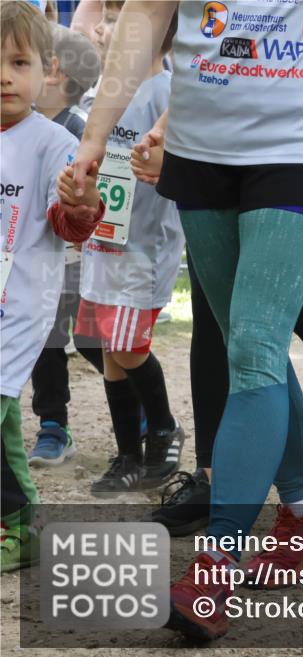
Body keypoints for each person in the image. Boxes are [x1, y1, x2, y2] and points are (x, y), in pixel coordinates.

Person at [71, 0, 303, 641]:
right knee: (245, 340)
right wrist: (96, 136)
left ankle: (216, 569)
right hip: (200, 152)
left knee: (257, 342)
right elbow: (148, 14)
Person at [135, 2, 303, 538]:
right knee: (221, 318)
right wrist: (174, 122)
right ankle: (219, 472)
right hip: (217, 143)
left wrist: (273, 85)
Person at [1, 0, 104, 572]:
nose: (4, 76)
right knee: (5, 422)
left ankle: (21, 523)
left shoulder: (51, 143)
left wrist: (82, 200)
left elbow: (71, 225)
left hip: (18, 309)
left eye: (18, 63)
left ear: (47, 71)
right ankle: (20, 526)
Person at [73, 5, 184, 497]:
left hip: (145, 247)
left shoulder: (166, 95)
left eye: (116, 17)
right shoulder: (104, 96)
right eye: (105, 15)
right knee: (108, 351)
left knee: (126, 347)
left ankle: (163, 428)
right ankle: (127, 455)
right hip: (104, 245)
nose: (103, 27)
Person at [27, 23, 104, 466]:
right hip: (34, 259)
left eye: (24, 61)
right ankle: (53, 425)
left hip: (79, 258)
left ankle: (141, 402)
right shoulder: (21, 127)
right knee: (46, 339)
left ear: (53, 73)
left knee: (91, 341)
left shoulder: (78, 132)